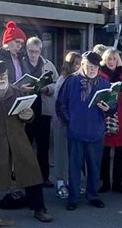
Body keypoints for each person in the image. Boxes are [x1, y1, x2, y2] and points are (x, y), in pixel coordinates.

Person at [0, 60, 52, 228]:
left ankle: (39, 208)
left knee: (31, 170)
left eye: (4, 75)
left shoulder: (16, 91)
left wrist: (28, 115)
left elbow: (27, 116)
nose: (2, 79)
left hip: (18, 139)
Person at [56, 51, 114, 211]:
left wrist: (108, 108)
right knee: (74, 167)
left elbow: (112, 108)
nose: (92, 69)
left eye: (95, 66)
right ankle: (73, 197)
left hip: (96, 132)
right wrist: (70, 122)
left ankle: (93, 195)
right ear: (82, 65)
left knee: (94, 167)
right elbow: (61, 105)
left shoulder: (104, 83)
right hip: (76, 132)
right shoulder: (71, 81)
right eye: (89, 66)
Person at [98, 48, 122, 194]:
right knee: (104, 154)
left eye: (114, 59)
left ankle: (118, 183)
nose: (111, 62)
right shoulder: (99, 75)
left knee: (121, 153)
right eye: (109, 59)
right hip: (105, 118)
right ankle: (105, 182)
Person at [24, 37, 59, 188]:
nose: (33, 55)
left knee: (43, 146)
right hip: (25, 111)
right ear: (27, 50)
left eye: (36, 52)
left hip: (43, 110)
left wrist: (45, 88)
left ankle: (44, 177)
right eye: (31, 51)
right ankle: (25, 177)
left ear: (40, 51)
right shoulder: (20, 63)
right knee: (25, 145)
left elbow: (56, 84)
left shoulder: (47, 64)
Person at [53, 51, 82, 198]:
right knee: (61, 154)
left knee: (72, 155)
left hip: (74, 123)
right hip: (62, 122)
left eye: (80, 64)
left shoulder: (77, 79)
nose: (79, 67)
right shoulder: (64, 80)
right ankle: (60, 183)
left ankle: (70, 181)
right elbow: (60, 104)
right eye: (76, 64)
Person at [0, 21, 29, 85]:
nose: (19, 46)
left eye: (21, 43)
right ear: (7, 42)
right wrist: (17, 88)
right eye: (17, 42)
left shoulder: (21, 58)